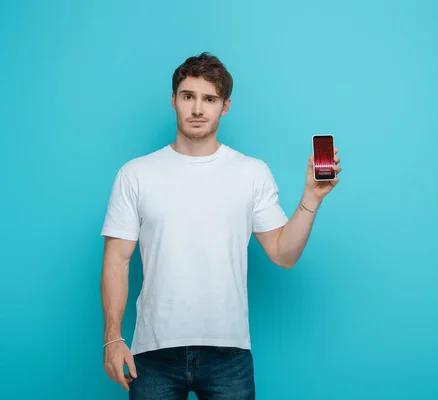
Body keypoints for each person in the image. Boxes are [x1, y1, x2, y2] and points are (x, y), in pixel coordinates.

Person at [100, 52, 342, 399]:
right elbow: (116, 260)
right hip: (153, 352)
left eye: (209, 99)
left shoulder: (251, 172)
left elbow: (283, 254)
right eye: (188, 96)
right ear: (174, 101)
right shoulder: (136, 174)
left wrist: (311, 199)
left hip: (229, 354)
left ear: (224, 106)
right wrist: (112, 337)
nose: (198, 109)